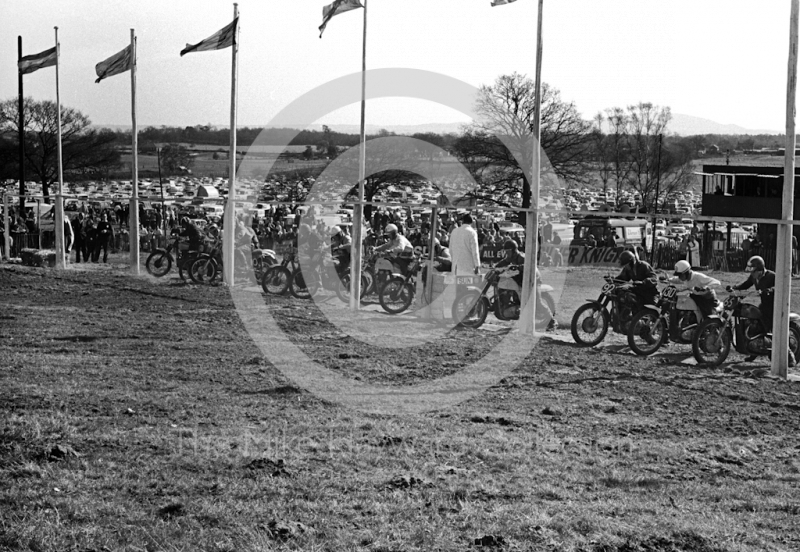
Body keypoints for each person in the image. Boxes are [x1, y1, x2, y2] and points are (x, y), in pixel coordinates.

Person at [495, 239, 556, 330]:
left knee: (537, 302)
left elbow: (528, 265)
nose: (507, 254)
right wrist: (496, 267)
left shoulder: (522, 257)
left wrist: (519, 267)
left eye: (508, 252)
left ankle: (552, 321)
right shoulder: (510, 258)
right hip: (522, 280)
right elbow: (504, 262)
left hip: (534, 279)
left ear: (513, 250)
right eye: (505, 252)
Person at [728, 256, 775, 355]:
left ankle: (787, 353)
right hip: (764, 305)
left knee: (771, 330)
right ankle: (753, 350)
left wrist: (770, 290)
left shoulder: (772, 276)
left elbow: (779, 287)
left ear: (760, 270)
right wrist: (735, 288)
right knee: (754, 322)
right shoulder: (754, 277)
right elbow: (746, 284)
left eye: (753, 271)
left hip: (774, 307)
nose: (752, 274)